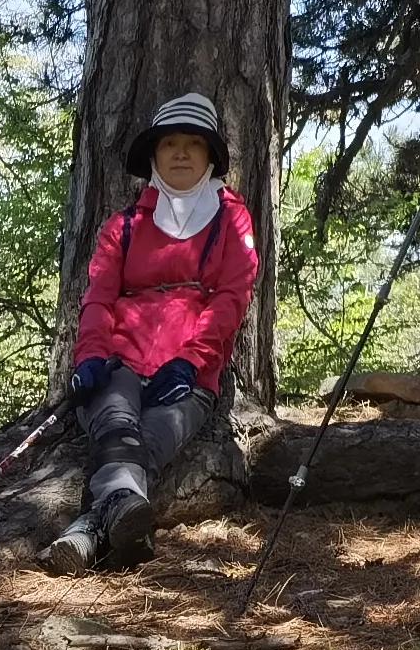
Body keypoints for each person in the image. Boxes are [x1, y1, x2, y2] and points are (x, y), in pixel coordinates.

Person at [43, 90, 259, 571]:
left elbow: (232, 296)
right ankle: (117, 531)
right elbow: (99, 296)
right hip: (117, 364)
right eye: (169, 144)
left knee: (152, 440)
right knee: (118, 428)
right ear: (154, 156)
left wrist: (192, 361)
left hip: (186, 376)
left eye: (193, 144)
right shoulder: (123, 225)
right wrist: (90, 358)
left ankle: (87, 535)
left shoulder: (232, 219)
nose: (180, 153)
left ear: (210, 156)